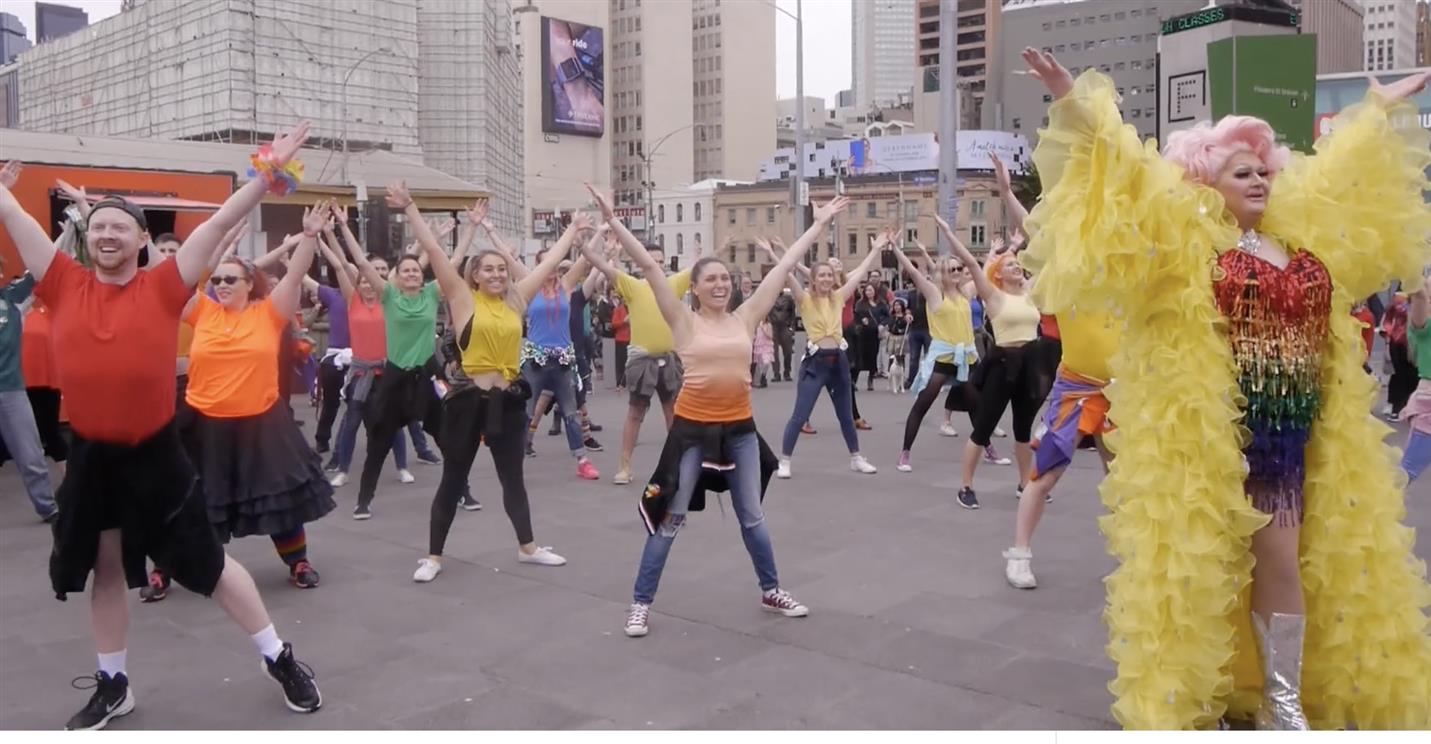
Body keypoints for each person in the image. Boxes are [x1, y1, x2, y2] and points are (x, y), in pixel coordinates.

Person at [1020, 49, 1431, 728]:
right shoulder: (1186, 246)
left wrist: (1377, 112)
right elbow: (1124, 177)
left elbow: (1339, 178)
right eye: (1242, 172)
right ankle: (1203, 699)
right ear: (1203, 183)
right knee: (1199, 575)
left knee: (1282, 564)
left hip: (1292, 438)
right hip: (1208, 437)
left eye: (1265, 170)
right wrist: (1075, 102)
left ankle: (1284, 701)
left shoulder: (1297, 239)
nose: (1259, 181)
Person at [0, 125, 322, 730]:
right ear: (85, 237)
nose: (107, 233)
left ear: (143, 241)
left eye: (121, 226)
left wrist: (266, 171)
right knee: (108, 567)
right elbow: (13, 215)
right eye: (98, 225)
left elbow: (220, 220)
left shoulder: (165, 287)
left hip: (156, 454)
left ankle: (278, 657)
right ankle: (113, 683)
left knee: (211, 563)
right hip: (93, 456)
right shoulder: (63, 283)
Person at [581, 186, 815, 638]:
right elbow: (649, 267)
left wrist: (819, 225)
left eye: (725, 279)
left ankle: (772, 589)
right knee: (671, 518)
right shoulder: (683, 322)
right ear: (694, 287)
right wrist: (612, 221)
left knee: (752, 516)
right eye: (710, 279)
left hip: (741, 432)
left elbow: (783, 269)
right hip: (691, 432)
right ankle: (640, 603)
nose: (720, 284)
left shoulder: (745, 318)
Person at [405, 182, 574, 583]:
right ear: (475, 276)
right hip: (468, 402)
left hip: (510, 400)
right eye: (489, 269)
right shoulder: (462, 299)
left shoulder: (515, 301)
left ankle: (528, 547)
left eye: (502, 269)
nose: (498, 274)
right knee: (453, 477)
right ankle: (433, 557)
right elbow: (433, 251)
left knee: (512, 478)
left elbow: (549, 264)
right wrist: (411, 207)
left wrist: (574, 228)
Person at [174, 202, 336, 591]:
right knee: (195, 500)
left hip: (261, 423)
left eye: (232, 280)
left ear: (250, 283)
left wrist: (310, 236)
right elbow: (187, 278)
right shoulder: (202, 312)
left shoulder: (269, 312)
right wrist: (218, 247)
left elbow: (295, 274)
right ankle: (172, 567)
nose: (223, 285)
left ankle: (297, 562)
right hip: (203, 423)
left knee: (278, 497)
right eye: (218, 281)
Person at [986, 152, 1120, 590]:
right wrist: (1007, 192)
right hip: (1077, 387)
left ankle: (1132, 561)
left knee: (1125, 482)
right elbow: (1034, 228)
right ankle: (1019, 554)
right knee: (1044, 474)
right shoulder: (1063, 265)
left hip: (1124, 390)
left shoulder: (1126, 263)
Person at [343, 210, 446, 519]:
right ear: (397, 277)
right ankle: (363, 500)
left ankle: (463, 490)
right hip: (395, 377)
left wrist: (454, 236)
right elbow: (361, 263)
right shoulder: (389, 296)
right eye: (407, 271)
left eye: (416, 270)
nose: (413, 274)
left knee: (448, 437)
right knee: (379, 441)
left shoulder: (430, 294)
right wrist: (343, 228)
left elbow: (445, 263)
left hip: (427, 375)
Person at [937, 215, 1044, 510]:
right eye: (1009, 264)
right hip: (1001, 364)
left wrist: (1029, 238)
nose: (1016, 266)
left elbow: (1049, 261)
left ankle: (1026, 483)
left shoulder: (1030, 292)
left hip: (1028, 363)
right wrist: (948, 231)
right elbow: (972, 264)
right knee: (983, 427)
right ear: (998, 273)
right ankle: (966, 486)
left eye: (1017, 263)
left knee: (1024, 429)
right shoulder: (994, 296)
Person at [773, 214, 881, 479]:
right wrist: (776, 253)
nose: (825, 278)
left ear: (834, 278)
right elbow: (787, 272)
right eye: (820, 275)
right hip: (815, 362)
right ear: (813, 278)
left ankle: (856, 457)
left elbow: (861, 274)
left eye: (829, 275)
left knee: (845, 414)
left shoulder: (839, 297)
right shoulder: (805, 299)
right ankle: (784, 461)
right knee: (800, 414)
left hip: (839, 361)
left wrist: (876, 249)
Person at [588, 236, 691, 485]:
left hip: (669, 359)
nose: (656, 265)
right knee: (635, 413)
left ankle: (677, 465)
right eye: (651, 261)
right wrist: (589, 248)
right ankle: (624, 466)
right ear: (641, 264)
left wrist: (716, 249)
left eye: (660, 261)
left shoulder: (673, 284)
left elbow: (697, 267)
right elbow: (604, 268)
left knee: (673, 414)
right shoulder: (633, 285)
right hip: (642, 360)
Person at [888, 239, 979, 474]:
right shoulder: (935, 294)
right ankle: (905, 453)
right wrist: (895, 248)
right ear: (942, 273)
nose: (958, 272)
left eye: (959, 269)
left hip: (965, 358)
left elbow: (981, 267)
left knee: (976, 406)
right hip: (943, 358)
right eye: (953, 270)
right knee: (923, 405)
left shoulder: (966, 292)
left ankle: (986, 446)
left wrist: (1009, 249)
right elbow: (913, 272)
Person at [515, 234, 601, 480]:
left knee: (571, 412)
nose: (551, 270)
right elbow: (511, 262)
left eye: (553, 265)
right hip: (536, 361)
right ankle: (515, 461)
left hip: (563, 361)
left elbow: (584, 260)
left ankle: (582, 459)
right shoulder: (530, 288)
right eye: (545, 265)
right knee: (528, 412)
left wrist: (596, 235)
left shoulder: (565, 287)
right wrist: (489, 231)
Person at [0, 253, 59, 522]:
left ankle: (48, 508)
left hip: (11, 389)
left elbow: (43, 262)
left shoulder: (12, 298)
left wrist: (72, 229)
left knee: (31, 454)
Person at [1401, 274, 1431, 483]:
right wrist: (1419, 287)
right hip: (1429, 407)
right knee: (1405, 475)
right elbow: (1420, 298)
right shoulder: (1423, 327)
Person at [1382, 290, 1417, 421]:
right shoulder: (1399, 300)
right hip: (1399, 343)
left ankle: (1408, 407)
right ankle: (1397, 408)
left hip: (1416, 344)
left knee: (1414, 377)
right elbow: (1388, 320)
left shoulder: (1423, 300)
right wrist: (1387, 340)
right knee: (1400, 375)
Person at [851, 283, 886, 391]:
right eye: (867, 291)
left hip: (874, 334)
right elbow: (855, 317)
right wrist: (861, 321)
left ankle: (870, 380)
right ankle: (853, 380)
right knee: (859, 357)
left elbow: (888, 316)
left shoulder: (880, 303)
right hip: (862, 334)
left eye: (871, 290)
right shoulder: (860, 304)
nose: (869, 293)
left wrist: (882, 324)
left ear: (875, 291)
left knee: (872, 357)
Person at [767, 285, 797, 382]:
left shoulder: (788, 299)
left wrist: (792, 327)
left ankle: (787, 372)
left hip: (785, 326)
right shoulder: (769, 297)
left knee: (788, 351)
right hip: (773, 326)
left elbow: (793, 313)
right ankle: (776, 374)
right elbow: (765, 312)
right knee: (774, 352)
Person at [611, 294, 630, 391]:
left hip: (632, 339)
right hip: (621, 339)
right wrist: (624, 322)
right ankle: (619, 383)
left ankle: (628, 382)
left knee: (631, 362)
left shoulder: (634, 308)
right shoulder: (618, 309)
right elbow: (614, 324)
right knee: (621, 363)